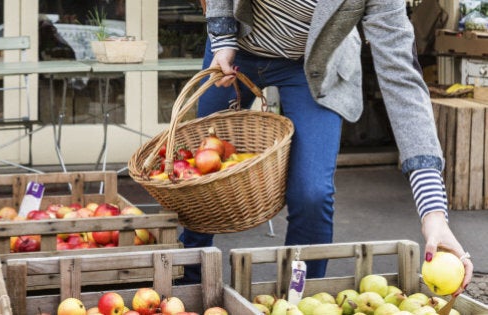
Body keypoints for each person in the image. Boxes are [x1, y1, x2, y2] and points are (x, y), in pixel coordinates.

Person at [178, 0, 473, 295]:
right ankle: (188, 281)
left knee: (312, 194)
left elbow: (402, 80)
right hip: (238, 47)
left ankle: (299, 297)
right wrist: (223, 38)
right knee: (202, 175)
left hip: (314, 65)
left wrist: (434, 214)